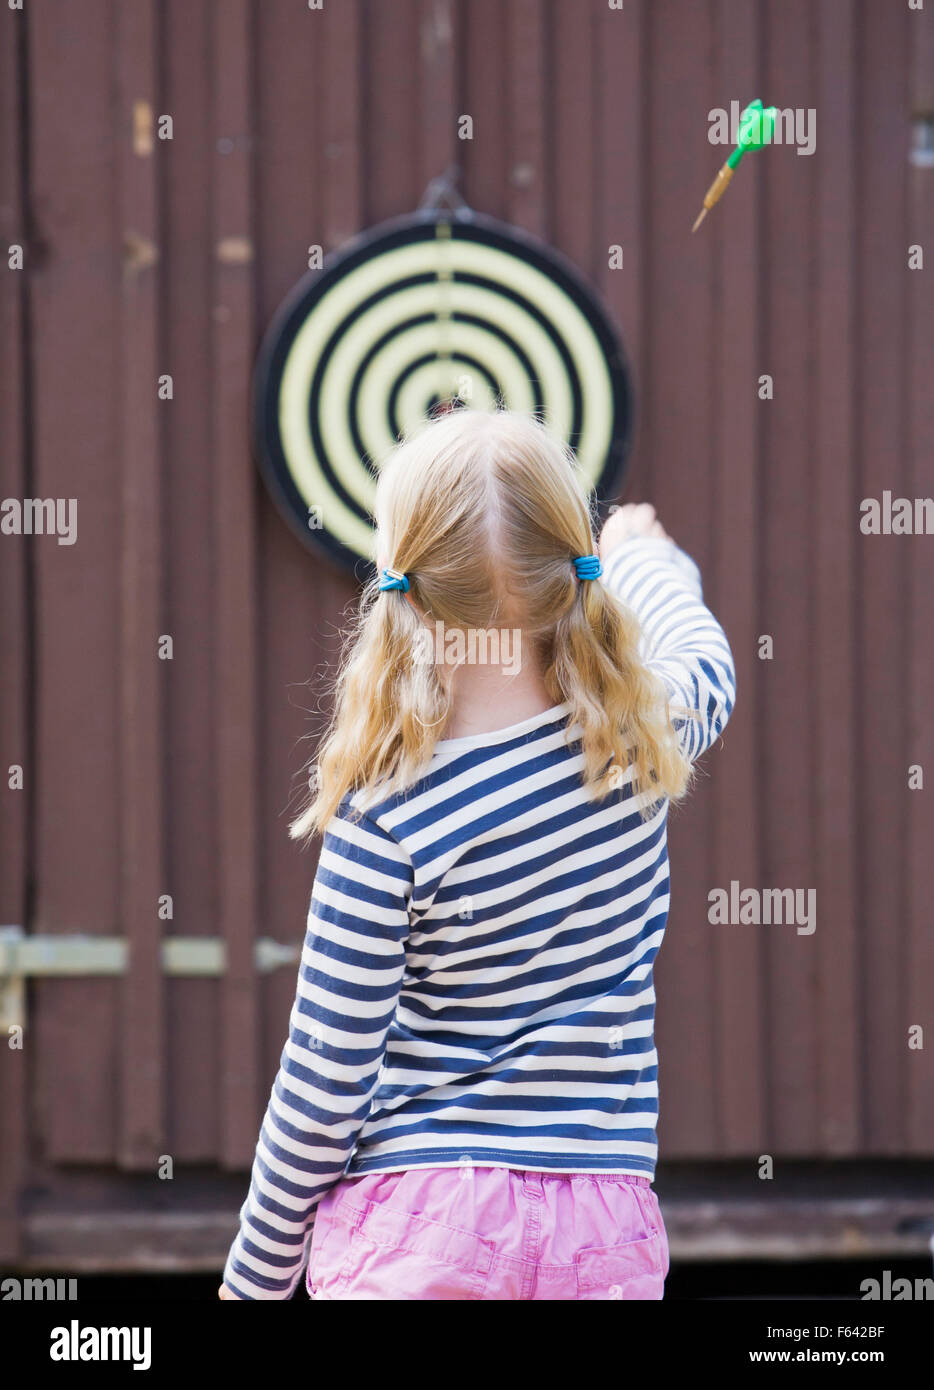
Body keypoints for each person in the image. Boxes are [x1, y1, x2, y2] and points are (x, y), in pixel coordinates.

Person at [220, 407, 735, 1300]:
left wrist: (252, 1283)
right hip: (602, 1232)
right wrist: (647, 557)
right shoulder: (645, 737)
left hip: (423, 1224)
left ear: (400, 586)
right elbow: (705, 653)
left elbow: (320, 1090)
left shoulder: (388, 819)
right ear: (574, 570)